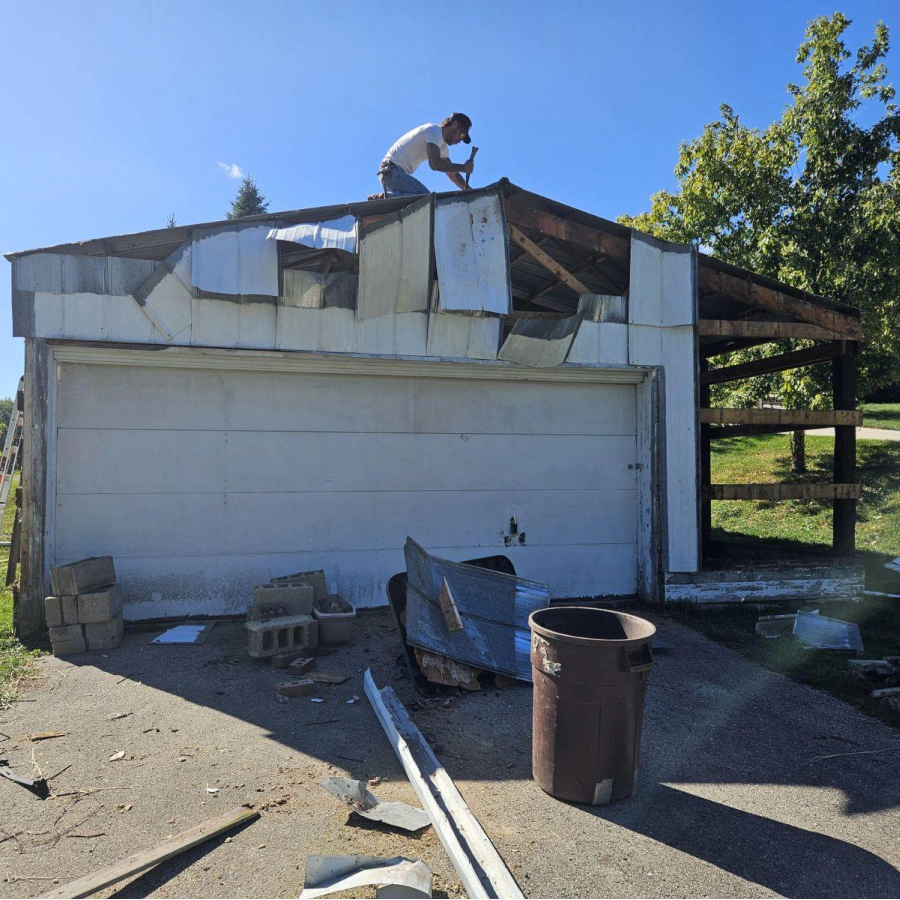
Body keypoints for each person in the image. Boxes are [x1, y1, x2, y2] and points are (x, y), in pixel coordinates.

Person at [376, 113, 474, 198]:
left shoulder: (442, 148)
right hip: (391, 171)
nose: (459, 141)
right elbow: (435, 164)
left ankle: (390, 197)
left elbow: (453, 174)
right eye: (461, 135)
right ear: (455, 124)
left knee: (422, 201)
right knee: (428, 200)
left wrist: (468, 189)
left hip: (395, 174)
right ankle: (387, 197)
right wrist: (463, 167)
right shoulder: (434, 132)